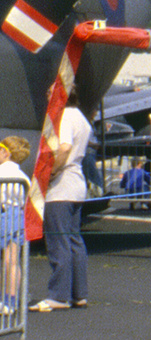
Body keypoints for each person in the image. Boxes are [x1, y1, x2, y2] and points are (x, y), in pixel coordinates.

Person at [36, 95, 92, 311]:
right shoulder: (81, 117)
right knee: (74, 239)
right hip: (77, 184)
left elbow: (65, 147)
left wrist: (51, 172)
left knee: (58, 240)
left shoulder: (65, 116)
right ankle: (79, 294)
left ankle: (59, 295)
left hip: (61, 186)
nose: (49, 95)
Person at [0, 136, 30, 316]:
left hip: (6, 214)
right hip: (19, 215)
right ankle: (11, 300)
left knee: (7, 260)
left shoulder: (2, 172)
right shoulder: (23, 176)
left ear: (6, 152)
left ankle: (8, 301)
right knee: (13, 260)